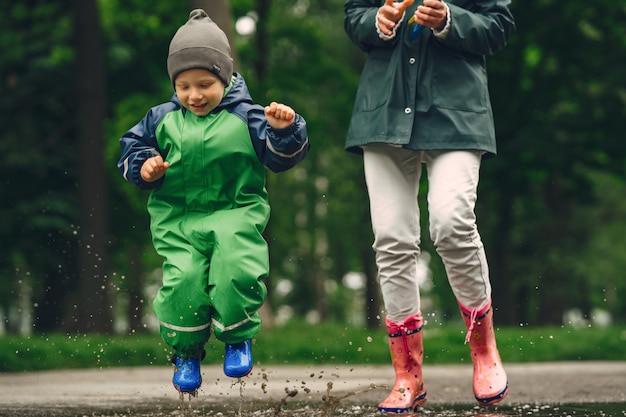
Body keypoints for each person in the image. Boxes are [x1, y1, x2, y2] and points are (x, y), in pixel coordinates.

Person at [117, 9, 309, 395]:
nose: (194, 95)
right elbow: (130, 149)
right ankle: (186, 352)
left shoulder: (248, 116)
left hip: (235, 214)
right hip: (179, 222)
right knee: (183, 281)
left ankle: (237, 337)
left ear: (225, 76)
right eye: (184, 86)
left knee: (235, 270)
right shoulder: (162, 119)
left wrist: (286, 130)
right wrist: (145, 167)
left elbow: (280, 157)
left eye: (205, 84)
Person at [343, 0, 515, 412]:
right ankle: (407, 374)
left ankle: (484, 349)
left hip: (458, 113)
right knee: (391, 238)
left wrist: (450, 21)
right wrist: (378, 22)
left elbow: (499, 26)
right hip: (382, 111)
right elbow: (355, 16)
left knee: (451, 222)